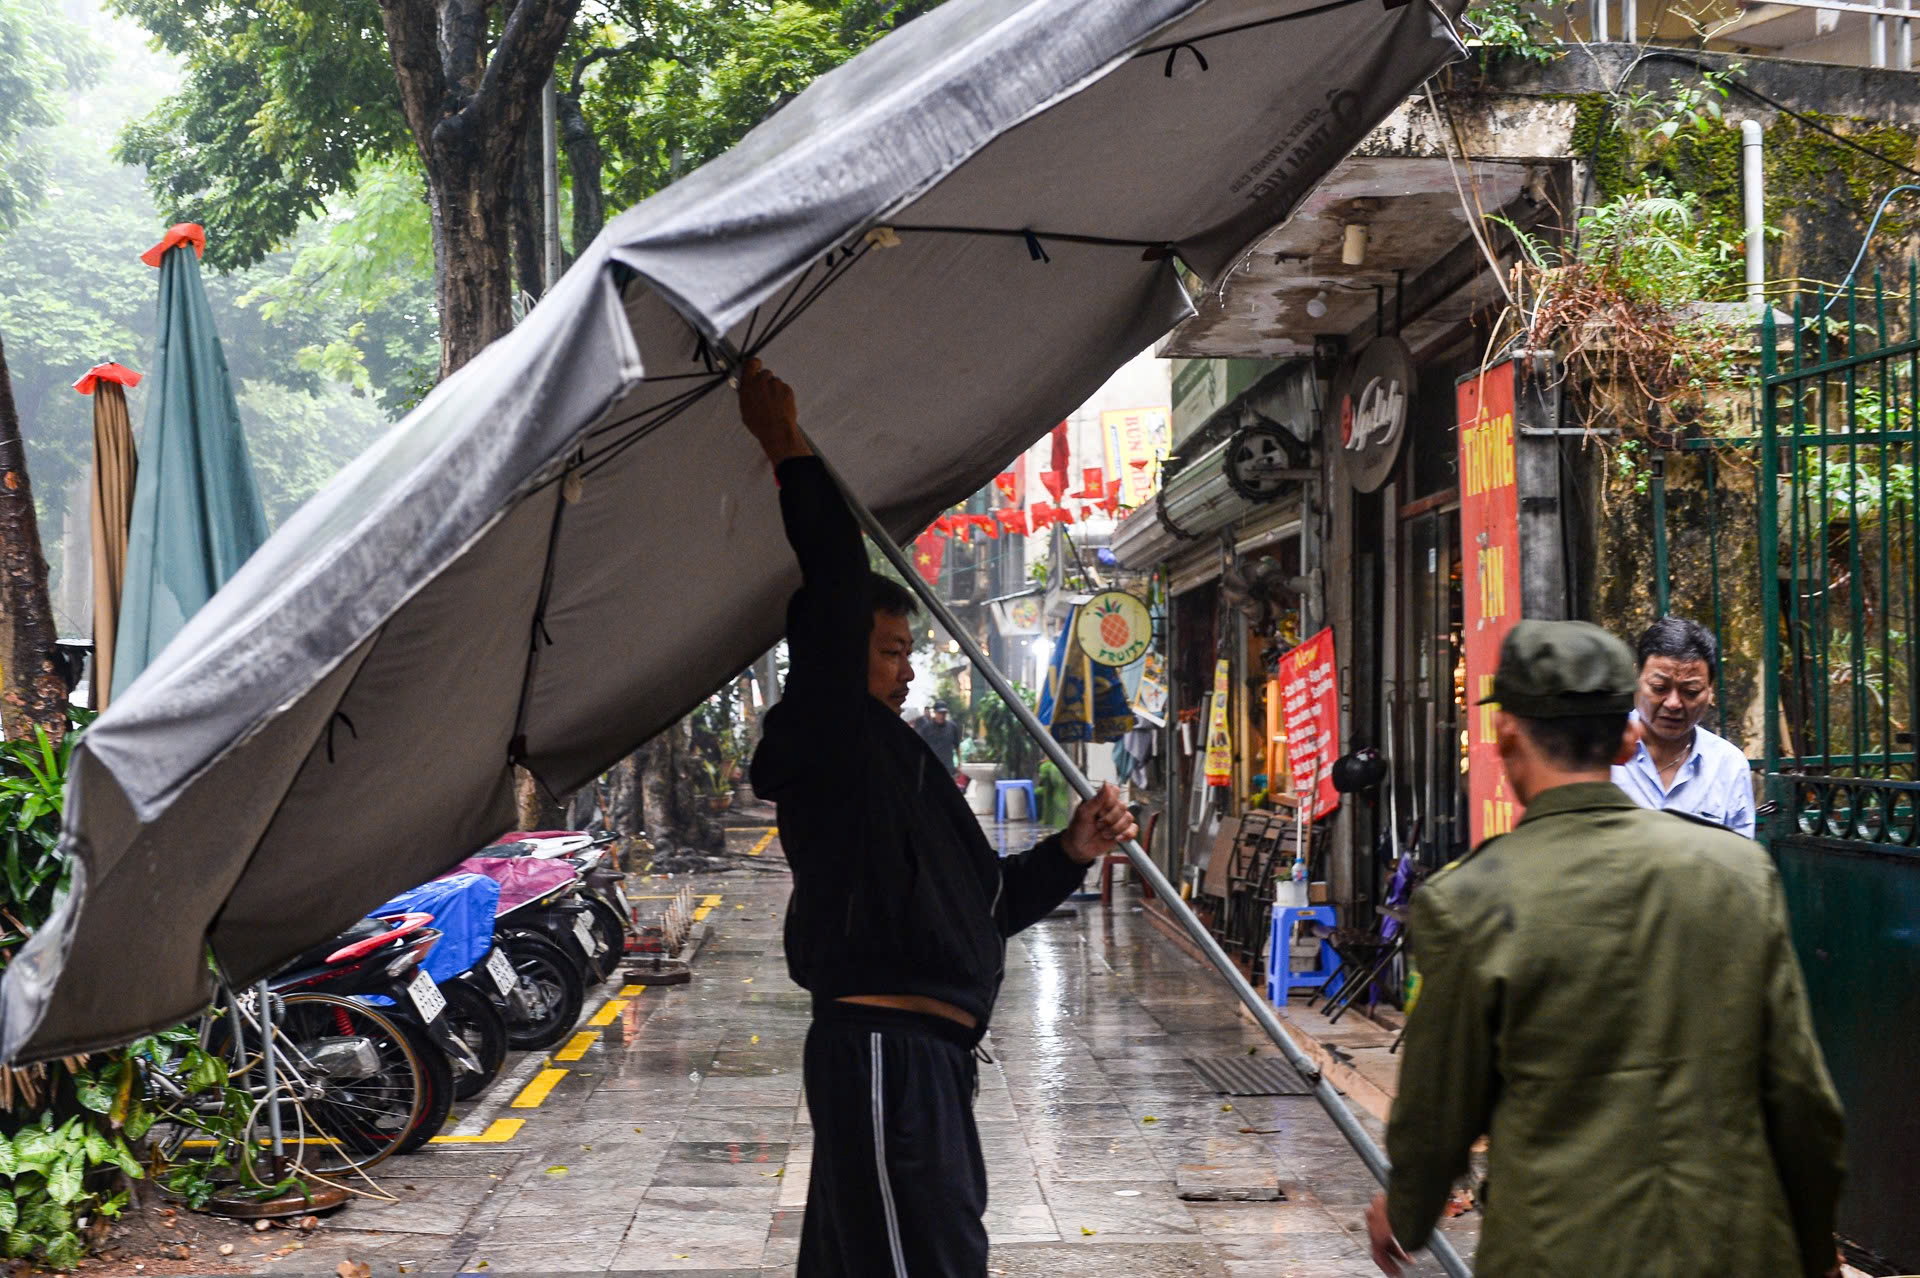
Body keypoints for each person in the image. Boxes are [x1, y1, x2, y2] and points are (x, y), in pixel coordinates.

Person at [738, 361, 1137, 1278]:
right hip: (880, 1051)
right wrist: (787, 450)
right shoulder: (830, 734)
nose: (906, 670)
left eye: (908, 651)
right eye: (887, 651)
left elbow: (985, 903)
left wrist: (1073, 850)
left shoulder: (901, 757)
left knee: (900, 1255)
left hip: (931, 1061)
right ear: (840, 656)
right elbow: (835, 581)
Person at [1368, 620, 1845, 1278]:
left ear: (1505, 738)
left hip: (1556, 1253)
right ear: (1627, 739)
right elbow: (1801, 1098)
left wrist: (1406, 1210)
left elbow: (1440, 1108)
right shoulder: (1739, 875)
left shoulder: (1467, 902)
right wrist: (1816, 1249)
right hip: (1733, 1250)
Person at [1610, 615, 1756, 836]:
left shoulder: (1728, 765)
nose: (1674, 703)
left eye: (1691, 692)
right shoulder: (1599, 751)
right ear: (1636, 679)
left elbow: (1741, 857)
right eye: (1659, 688)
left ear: (1710, 690)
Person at [913, 700, 964, 772]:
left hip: (948, 768)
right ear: (935, 712)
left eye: (944, 713)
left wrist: (959, 764)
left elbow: (957, 746)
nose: (942, 716)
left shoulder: (952, 727)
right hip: (931, 768)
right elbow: (920, 748)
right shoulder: (926, 728)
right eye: (939, 713)